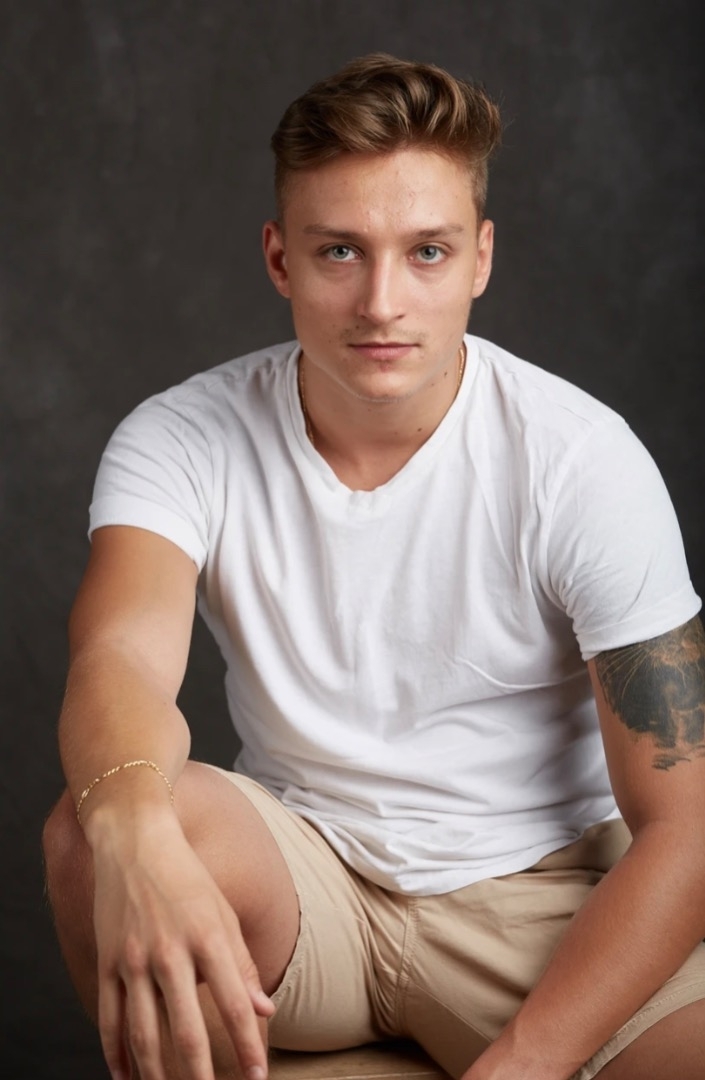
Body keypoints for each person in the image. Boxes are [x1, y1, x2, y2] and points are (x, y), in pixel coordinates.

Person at [43, 53, 705, 1080]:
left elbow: (687, 824)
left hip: (540, 904)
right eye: (340, 251)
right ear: (280, 258)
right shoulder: (181, 437)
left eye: (427, 252)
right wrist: (130, 832)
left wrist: (525, 1063)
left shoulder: (581, 461)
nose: (381, 302)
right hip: (310, 890)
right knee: (95, 833)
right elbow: (120, 657)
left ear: (480, 257)